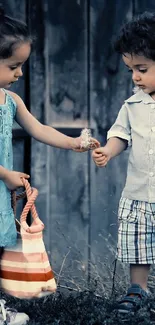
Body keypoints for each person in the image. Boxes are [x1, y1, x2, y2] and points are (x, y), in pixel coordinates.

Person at [0, 5, 100, 325]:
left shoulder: (11, 101)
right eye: (13, 66)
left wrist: (73, 143)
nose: (20, 74)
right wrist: (4, 173)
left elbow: (39, 128)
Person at [92, 11, 155, 314]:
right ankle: (138, 290)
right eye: (131, 69)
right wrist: (108, 150)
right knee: (138, 243)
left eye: (141, 68)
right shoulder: (132, 105)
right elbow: (121, 135)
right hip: (140, 192)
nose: (135, 77)